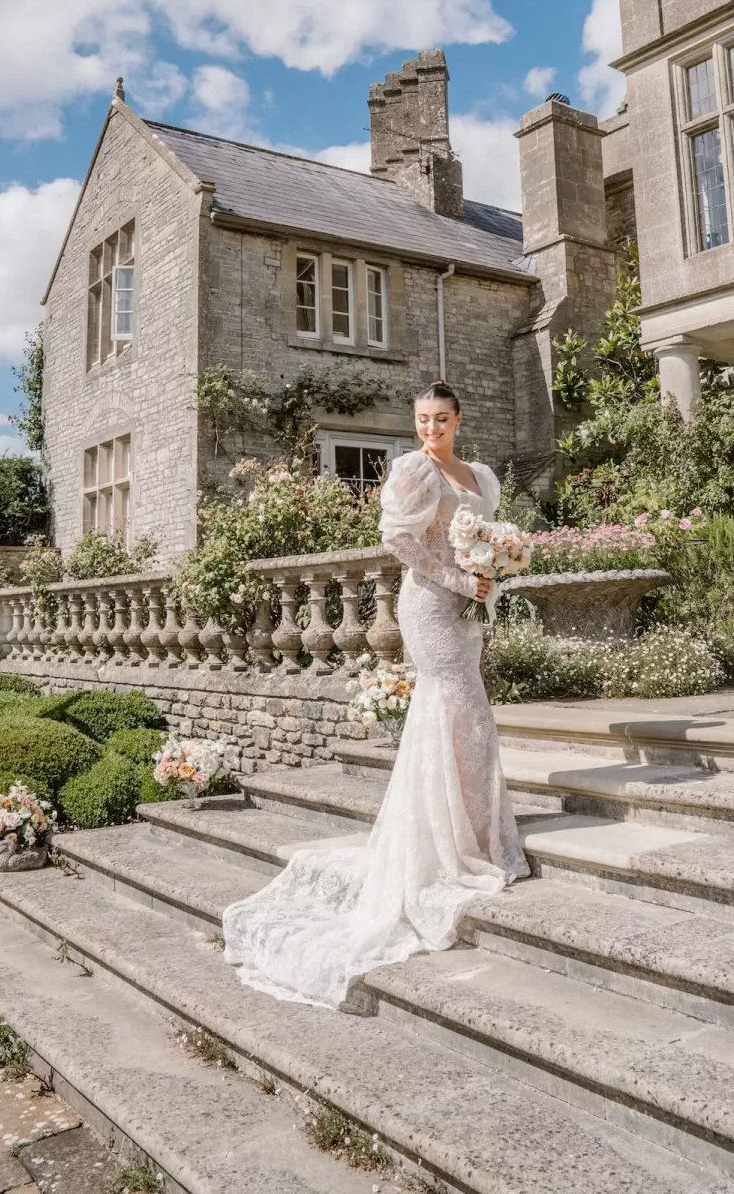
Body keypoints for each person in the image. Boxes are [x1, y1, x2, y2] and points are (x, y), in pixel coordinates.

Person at [222, 381, 529, 1008]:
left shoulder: (481, 475)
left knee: (466, 711)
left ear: (458, 419)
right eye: (422, 420)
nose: (431, 429)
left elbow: (486, 538)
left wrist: (491, 573)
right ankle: (448, 841)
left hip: (470, 606)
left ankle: (472, 829)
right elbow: (399, 539)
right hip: (429, 606)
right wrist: (452, 576)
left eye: (441, 419)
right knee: (459, 707)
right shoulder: (414, 469)